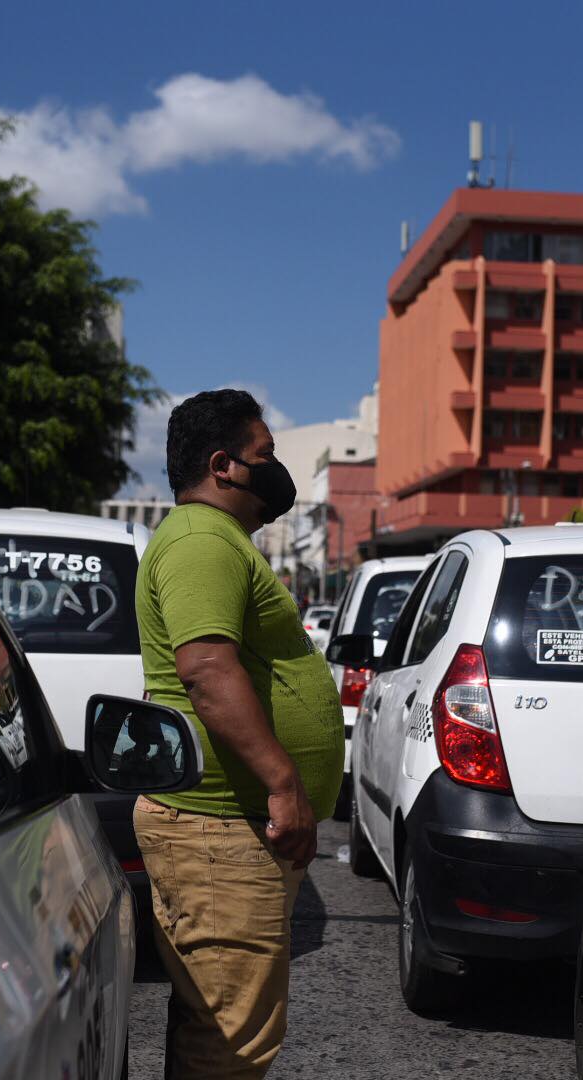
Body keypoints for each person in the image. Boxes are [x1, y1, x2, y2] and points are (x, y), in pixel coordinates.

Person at [132, 389, 344, 1078]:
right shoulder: (200, 542)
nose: (275, 471)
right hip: (223, 830)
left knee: (217, 1023)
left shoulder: (216, 542)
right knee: (229, 1043)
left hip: (227, 827)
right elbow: (206, 670)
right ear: (224, 466)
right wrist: (283, 783)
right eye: (265, 456)